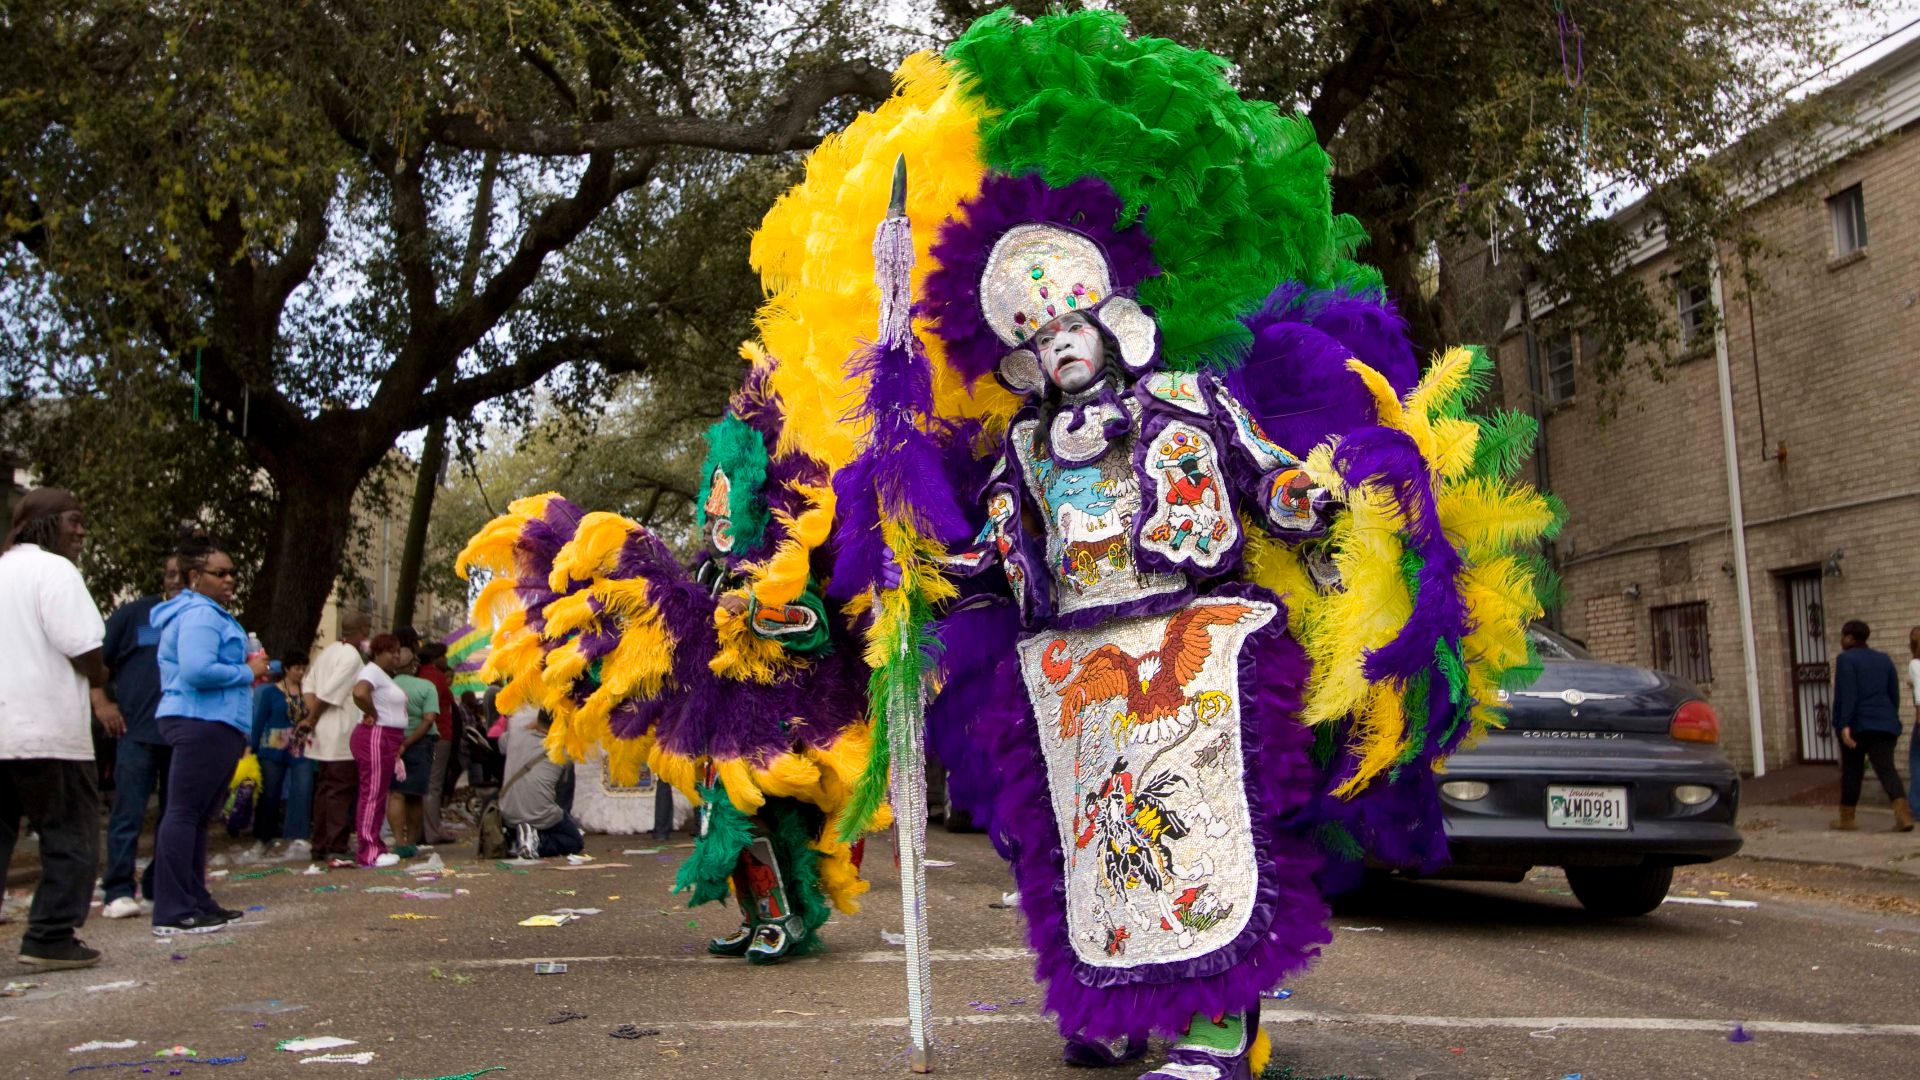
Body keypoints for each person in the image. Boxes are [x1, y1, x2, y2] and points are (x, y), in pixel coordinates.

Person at [0, 488, 124, 970]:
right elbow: (82, 644)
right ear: (44, 524)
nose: (81, 530)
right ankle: (49, 937)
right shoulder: (55, 571)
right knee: (70, 834)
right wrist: (99, 675)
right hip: (47, 731)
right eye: (74, 520)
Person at [149, 535, 267, 936]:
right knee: (184, 814)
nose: (230, 578)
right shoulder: (200, 614)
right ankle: (172, 909)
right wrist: (246, 673)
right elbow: (198, 670)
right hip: (200, 720)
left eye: (233, 572)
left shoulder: (207, 613)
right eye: (221, 573)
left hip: (214, 722)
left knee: (198, 817)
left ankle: (195, 900)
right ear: (196, 577)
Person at [99, 553, 183, 919]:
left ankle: (154, 885)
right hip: (137, 730)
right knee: (128, 813)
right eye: (169, 574)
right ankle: (117, 888)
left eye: (183, 574)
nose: (175, 580)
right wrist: (101, 702)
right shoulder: (134, 615)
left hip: (182, 733)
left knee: (173, 815)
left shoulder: (203, 619)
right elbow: (96, 662)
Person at [1830, 619, 1912, 832]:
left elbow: (1848, 693)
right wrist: (1890, 717)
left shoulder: (1846, 660)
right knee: (1887, 770)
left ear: (1849, 637)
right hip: (1884, 723)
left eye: (1843, 635)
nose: (1841, 639)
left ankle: (1847, 819)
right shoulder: (1884, 659)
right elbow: (1893, 693)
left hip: (1857, 725)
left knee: (1852, 770)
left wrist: (1844, 724)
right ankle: (1903, 816)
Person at [303, 609, 371, 865]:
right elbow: (330, 693)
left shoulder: (328, 652)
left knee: (324, 789)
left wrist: (312, 716)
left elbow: (309, 686)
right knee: (340, 791)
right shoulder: (352, 657)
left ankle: (319, 844)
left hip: (323, 732)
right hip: (341, 733)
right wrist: (312, 717)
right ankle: (335, 844)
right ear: (363, 630)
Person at [350, 635, 410, 868]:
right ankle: (368, 851)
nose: (395, 656)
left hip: (387, 737)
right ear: (376, 653)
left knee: (378, 793)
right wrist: (373, 713)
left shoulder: (383, 675)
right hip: (376, 735)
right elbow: (360, 692)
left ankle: (375, 844)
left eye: (397, 651)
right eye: (390, 651)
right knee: (372, 793)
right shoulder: (372, 671)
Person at [249, 650, 313, 856]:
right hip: (273, 745)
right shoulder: (270, 692)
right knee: (270, 792)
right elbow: (259, 720)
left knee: (302, 789)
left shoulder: (308, 692)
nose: (300, 672)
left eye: (304, 668)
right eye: (297, 668)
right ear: (286, 668)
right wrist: (251, 746)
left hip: (301, 744)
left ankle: (297, 835)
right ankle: (263, 837)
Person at [498, 710, 583, 860]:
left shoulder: (515, 736)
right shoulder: (563, 751)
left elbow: (500, 744)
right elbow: (561, 789)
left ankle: (516, 836)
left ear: (537, 719)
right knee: (574, 841)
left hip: (508, 812)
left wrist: (525, 728)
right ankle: (534, 843)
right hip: (541, 815)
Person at [388, 653, 440, 857]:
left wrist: (399, 744)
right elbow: (428, 719)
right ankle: (410, 843)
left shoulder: (387, 686)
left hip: (392, 741)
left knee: (396, 793)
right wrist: (408, 743)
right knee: (415, 796)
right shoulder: (427, 687)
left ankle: (399, 841)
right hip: (420, 744)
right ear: (414, 666)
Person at [413, 642, 459, 845]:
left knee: (424, 784)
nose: (447, 660)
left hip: (423, 735)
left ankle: (423, 829)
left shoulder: (418, 675)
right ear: (436, 657)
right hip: (439, 735)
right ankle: (432, 831)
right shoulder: (436, 677)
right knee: (434, 785)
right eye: (444, 656)